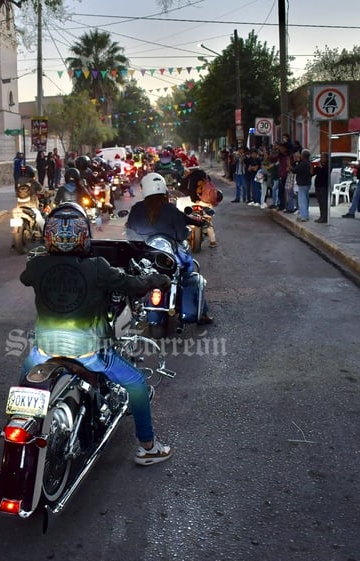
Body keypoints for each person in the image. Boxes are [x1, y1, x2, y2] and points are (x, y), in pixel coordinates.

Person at [19, 202, 174, 466]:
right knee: (136, 383)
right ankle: (148, 447)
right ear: (83, 236)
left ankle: (20, 428)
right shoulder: (98, 267)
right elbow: (132, 284)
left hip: (44, 350)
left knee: (24, 386)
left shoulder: (38, 267)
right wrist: (155, 280)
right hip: (89, 353)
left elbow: (26, 276)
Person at [125, 173, 214, 324]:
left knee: (130, 273)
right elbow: (181, 235)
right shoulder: (171, 209)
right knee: (188, 270)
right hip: (170, 255)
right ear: (164, 190)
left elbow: (129, 234)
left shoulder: (136, 209)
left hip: (144, 255)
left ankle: (132, 307)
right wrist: (188, 232)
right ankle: (203, 312)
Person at [294, 149, 313, 222]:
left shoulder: (303, 164)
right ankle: (306, 215)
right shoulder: (309, 163)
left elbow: (295, 170)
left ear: (303, 156)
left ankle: (304, 216)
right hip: (307, 183)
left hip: (302, 183)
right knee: (306, 199)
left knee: (302, 201)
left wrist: (289, 165)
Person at [313, 152, 330, 223]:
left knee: (324, 202)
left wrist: (321, 167)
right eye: (321, 157)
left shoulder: (327, 166)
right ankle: (321, 216)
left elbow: (326, 173)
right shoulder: (320, 165)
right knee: (320, 202)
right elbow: (314, 172)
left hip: (323, 186)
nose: (321, 158)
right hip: (318, 185)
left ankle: (324, 217)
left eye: (323, 157)